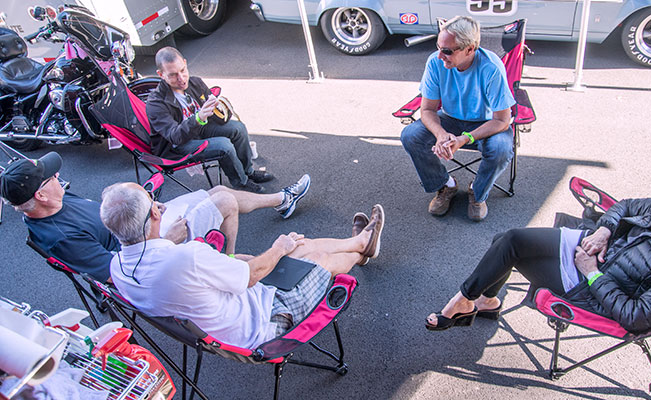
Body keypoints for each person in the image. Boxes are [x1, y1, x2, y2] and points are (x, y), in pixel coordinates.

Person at [425, 169, 651, 333]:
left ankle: (467, 301)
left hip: (595, 289)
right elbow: (626, 205)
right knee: (507, 240)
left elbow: (637, 316)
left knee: (509, 246)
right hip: (595, 248)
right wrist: (604, 231)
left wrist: (592, 274)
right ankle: (482, 300)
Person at [100, 181, 386, 349]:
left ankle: (360, 244)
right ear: (154, 213)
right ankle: (360, 249)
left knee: (298, 248)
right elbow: (249, 276)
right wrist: (277, 248)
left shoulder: (118, 268)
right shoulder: (186, 256)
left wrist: (270, 255)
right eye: (155, 202)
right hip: (263, 324)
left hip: (217, 325)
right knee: (316, 260)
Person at [0, 152, 311, 283]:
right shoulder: (60, 235)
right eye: (51, 176)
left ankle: (282, 200)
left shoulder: (58, 200)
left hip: (140, 226)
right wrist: (163, 238)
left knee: (216, 190)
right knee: (225, 200)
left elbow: (107, 212)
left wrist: (142, 204)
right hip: (146, 248)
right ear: (39, 195)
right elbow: (119, 275)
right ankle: (230, 261)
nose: (58, 176)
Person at [400, 16, 516, 221]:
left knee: (500, 148)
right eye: (438, 47)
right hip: (450, 118)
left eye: (447, 51)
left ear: (470, 49)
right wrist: (441, 134)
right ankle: (445, 185)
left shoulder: (491, 68)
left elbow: (502, 120)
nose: (439, 55)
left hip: (486, 123)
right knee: (411, 135)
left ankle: (478, 193)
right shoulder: (435, 63)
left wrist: (465, 138)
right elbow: (427, 109)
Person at [146, 46, 272, 193]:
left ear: (185, 63)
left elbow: (219, 120)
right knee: (223, 145)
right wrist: (199, 118)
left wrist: (220, 109)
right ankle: (241, 183)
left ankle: (248, 172)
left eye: (183, 70)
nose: (181, 79)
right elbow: (175, 137)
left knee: (238, 128)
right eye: (173, 75)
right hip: (176, 146)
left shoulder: (195, 83)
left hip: (199, 129)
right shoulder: (155, 103)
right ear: (161, 74)